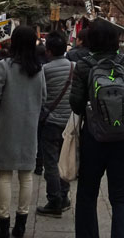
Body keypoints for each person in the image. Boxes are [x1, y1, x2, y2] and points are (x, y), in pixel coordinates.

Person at [70, 18, 124, 238]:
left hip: (93, 137)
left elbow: (76, 104)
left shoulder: (84, 65)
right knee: (121, 196)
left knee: (87, 194)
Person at [0, 25, 46, 238]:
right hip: (29, 127)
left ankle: (3, 224)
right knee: (26, 175)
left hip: (7, 126)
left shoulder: (5, 66)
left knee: (5, 174)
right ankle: (21, 224)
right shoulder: (39, 69)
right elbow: (44, 97)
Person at [36, 31, 74, 217]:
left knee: (50, 162)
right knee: (64, 160)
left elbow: (40, 96)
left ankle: (54, 200)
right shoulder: (75, 67)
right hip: (70, 123)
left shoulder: (44, 70)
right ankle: (64, 196)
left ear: (49, 51)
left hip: (51, 122)